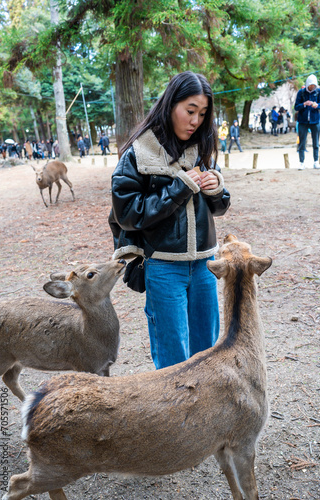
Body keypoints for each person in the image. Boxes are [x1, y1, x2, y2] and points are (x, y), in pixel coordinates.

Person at [109, 71, 231, 370]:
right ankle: (175, 417)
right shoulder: (139, 153)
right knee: (173, 358)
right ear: (170, 104)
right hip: (162, 266)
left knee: (207, 353)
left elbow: (217, 209)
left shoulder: (199, 147)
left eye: (202, 114)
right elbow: (127, 215)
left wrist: (217, 191)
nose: (196, 121)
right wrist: (179, 187)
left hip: (204, 265)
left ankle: (204, 414)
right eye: (190, 111)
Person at [295, 74, 320, 170]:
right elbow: (296, 107)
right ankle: (301, 162)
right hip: (302, 121)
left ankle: (316, 162)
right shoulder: (301, 92)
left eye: (314, 86)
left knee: (316, 142)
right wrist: (304, 104)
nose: (312, 87)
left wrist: (317, 105)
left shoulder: (318, 92)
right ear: (307, 84)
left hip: (315, 121)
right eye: (311, 86)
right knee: (302, 143)